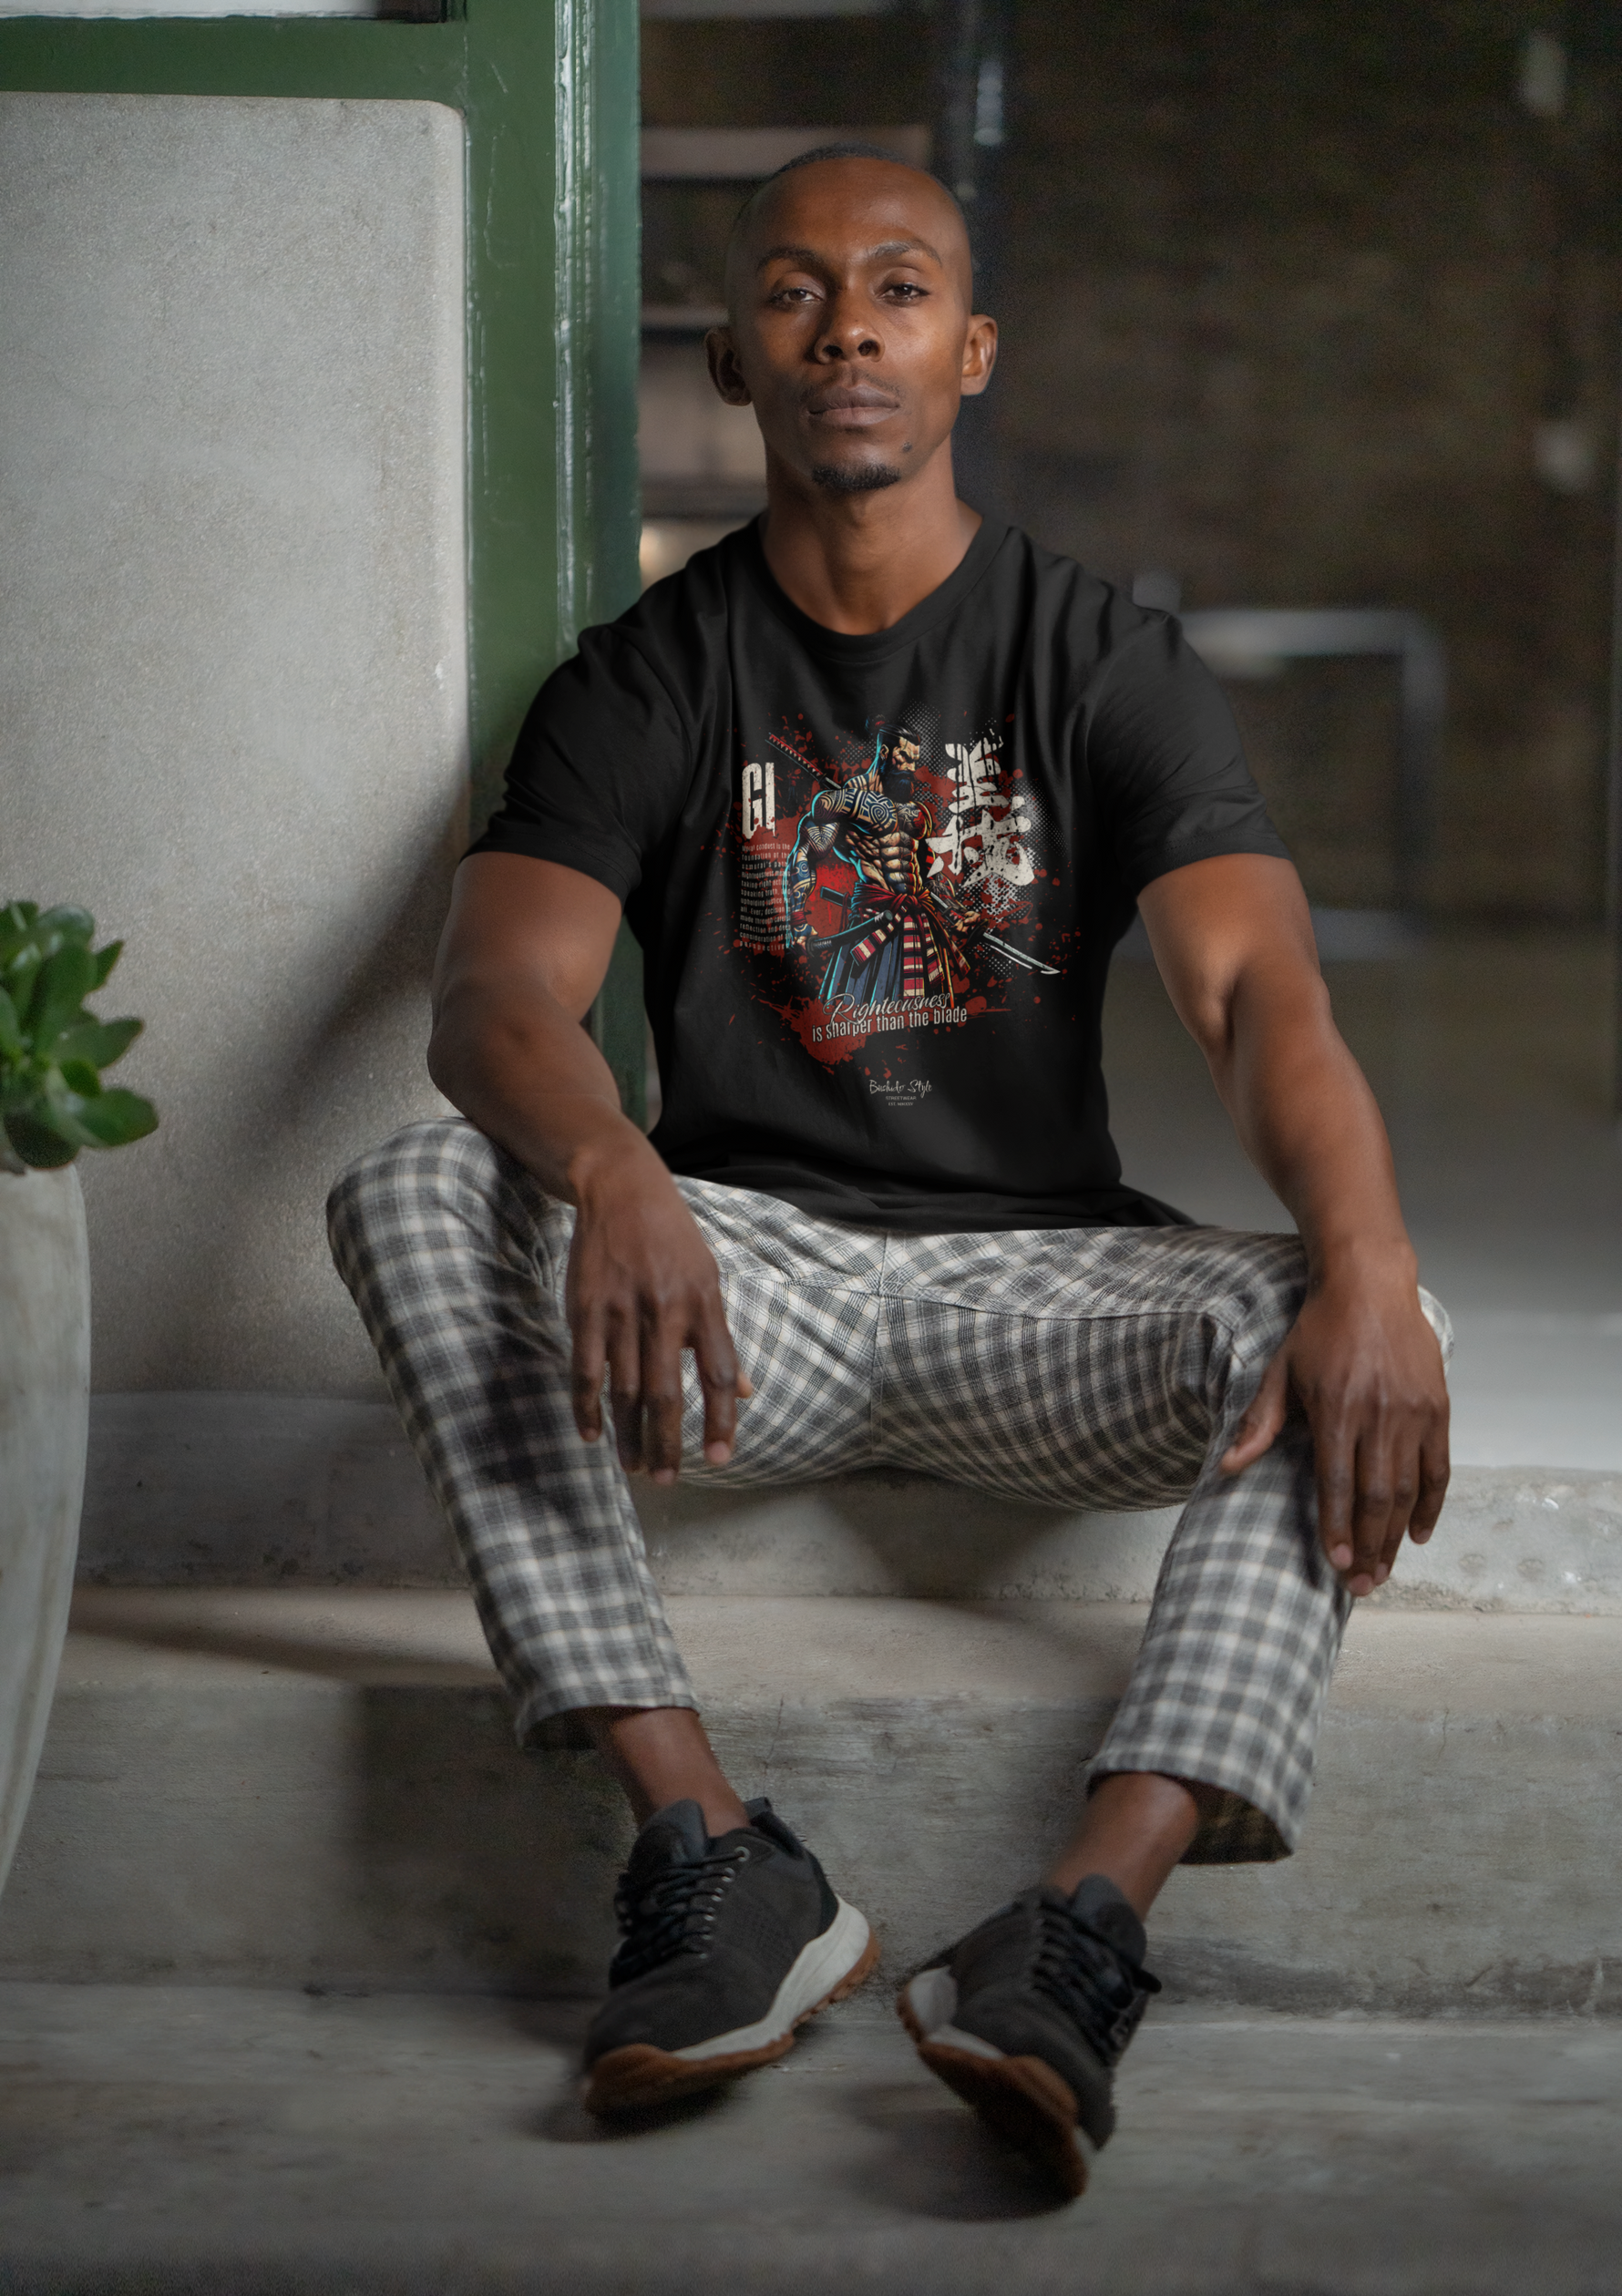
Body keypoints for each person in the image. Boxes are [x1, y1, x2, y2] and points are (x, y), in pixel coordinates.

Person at [327, 145, 1451, 2199]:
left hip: (1028, 1296)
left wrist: (1364, 1251)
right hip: (753, 1303)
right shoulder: (643, 679)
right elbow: (491, 1007)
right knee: (411, 1185)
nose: (844, 322)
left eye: (900, 286)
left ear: (969, 353)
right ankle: (710, 1854)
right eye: (791, 290)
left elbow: (1254, 1001)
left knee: (1369, 1304)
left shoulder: (1100, 658)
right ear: (735, 364)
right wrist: (616, 1171)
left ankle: (1079, 1923)